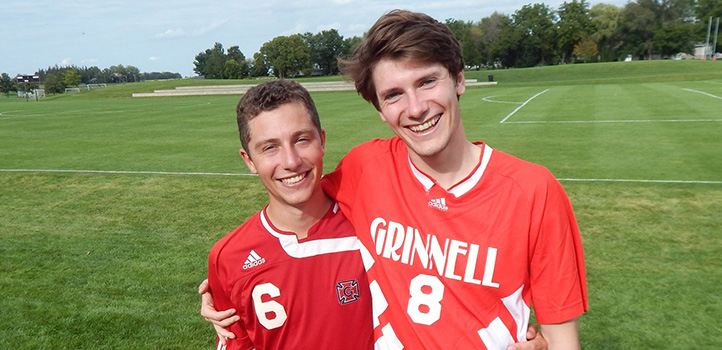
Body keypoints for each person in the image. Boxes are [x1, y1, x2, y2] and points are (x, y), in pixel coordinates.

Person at [204, 9, 587, 349]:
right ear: (381, 111)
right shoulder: (366, 168)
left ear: (458, 79)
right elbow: (297, 196)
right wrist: (229, 287)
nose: (416, 108)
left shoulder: (534, 191)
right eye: (393, 95)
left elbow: (562, 340)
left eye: (427, 82)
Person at [205, 79, 373, 349]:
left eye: (302, 139)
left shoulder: (376, 225)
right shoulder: (228, 257)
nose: (291, 161)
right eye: (270, 147)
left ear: (322, 141)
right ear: (249, 160)